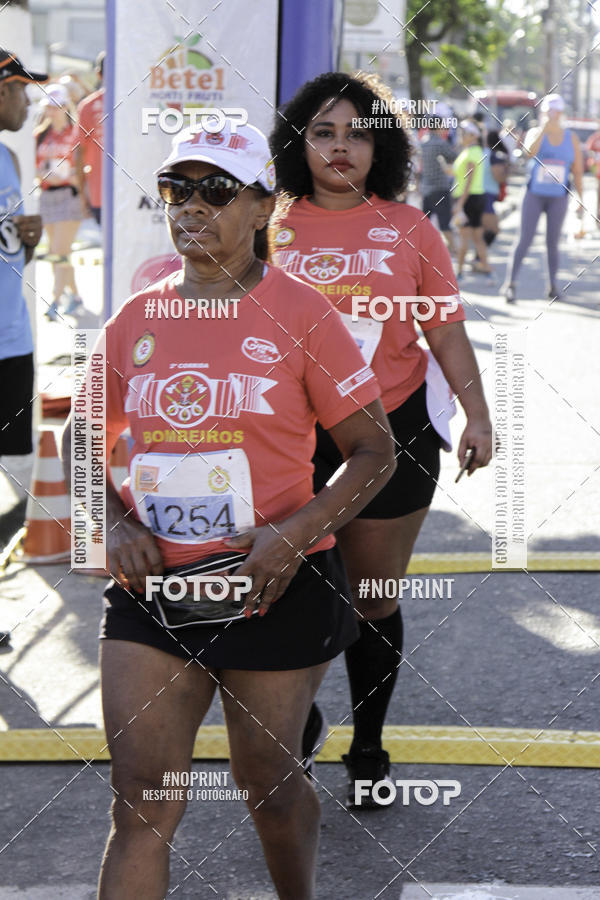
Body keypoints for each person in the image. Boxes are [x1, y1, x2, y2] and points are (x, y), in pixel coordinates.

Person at [60, 122, 396, 899]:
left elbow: (375, 450)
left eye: (217, 190)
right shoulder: (136, 319)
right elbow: (81, 439)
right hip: (155, 596)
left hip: (272, 588)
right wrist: (112, 524)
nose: (192, 207)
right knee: (142, 800)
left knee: (268, 787)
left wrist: (295, 532)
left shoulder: (305, 315)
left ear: (264, 208)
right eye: (178, 189)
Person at [269, 72, 493, 808]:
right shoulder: (265, 223)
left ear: (381, 146)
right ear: (298, 142)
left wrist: (477, 413)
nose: (340, 148)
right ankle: (296, 733)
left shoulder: (410, 229)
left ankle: (368, 746)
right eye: (324, 132)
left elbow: (446, 329)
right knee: (286, 593)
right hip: (287, 439)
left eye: (357, 134)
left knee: (370, 598)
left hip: (391, 433)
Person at [0, 50, 47, 458]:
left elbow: (14, 258)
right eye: (22, 92)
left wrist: (29, 241)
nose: (29, 104)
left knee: (8, 457)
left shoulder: (9, 158)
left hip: (13, 342)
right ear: (1, 91)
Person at [502, 93, 584, 303]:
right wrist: (543, 130)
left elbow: (577, 170)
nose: (552, 115)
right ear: (543, 112)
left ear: (562, 113)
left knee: (552, 241)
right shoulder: (535, 132)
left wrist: (580, 200)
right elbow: (529, 152)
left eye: (556, 111)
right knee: (525, 238)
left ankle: (553, 286)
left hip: (558, 196)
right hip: (534, 194)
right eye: (549, 111)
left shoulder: (571, 137)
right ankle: (510, 284)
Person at [34, 82, 84, 319]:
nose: (51, 111)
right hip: (46, 196)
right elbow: (34, 165)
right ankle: (74, 295)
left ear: (65, 107)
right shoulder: (40, 135)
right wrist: (43, 175)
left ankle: (54, 300)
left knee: (59, 251)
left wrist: (75, 176)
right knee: (58, 252)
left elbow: (84, 164)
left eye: (55, 106)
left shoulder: (77, 133)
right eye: (48, 107)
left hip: (69, 196)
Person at [451, 119, 492, 277]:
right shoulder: (472, 151)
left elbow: (468, 180)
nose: (461, 135)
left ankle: (459, 271)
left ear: (473, 135)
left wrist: (460, 204)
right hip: (475, 197)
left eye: (464, 133)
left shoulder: (471, 152)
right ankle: (486, 267)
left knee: (465, 237)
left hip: (468, 199)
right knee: (476, 236)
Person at [419, 116, 457, 254]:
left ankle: (423, 251)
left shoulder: (423, 142)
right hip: (440, 188)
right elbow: (454, 157)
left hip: (426, 188)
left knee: (425, 223)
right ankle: (455, 250)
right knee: (445, 223)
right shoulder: (440, 143)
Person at [75, 51, 105, 226]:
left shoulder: (88, 106)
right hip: (135, 194)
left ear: (98, 73)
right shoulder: (137, 103)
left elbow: (79, 152)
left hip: (98, 192)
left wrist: (81, 193)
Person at [481, 130, 509, 250]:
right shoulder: (494, 156)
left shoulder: (482, 153)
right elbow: (498, 177)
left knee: (481, 230)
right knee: (493, 228)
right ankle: (479, 258)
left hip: (482, 194)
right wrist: (508, 171)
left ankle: (480, 259)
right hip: (486, 195)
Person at [584, 125, 600, 225]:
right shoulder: (595, 137)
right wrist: (594, 157)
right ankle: (597, 216)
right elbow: (589, 150)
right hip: (597, 167)